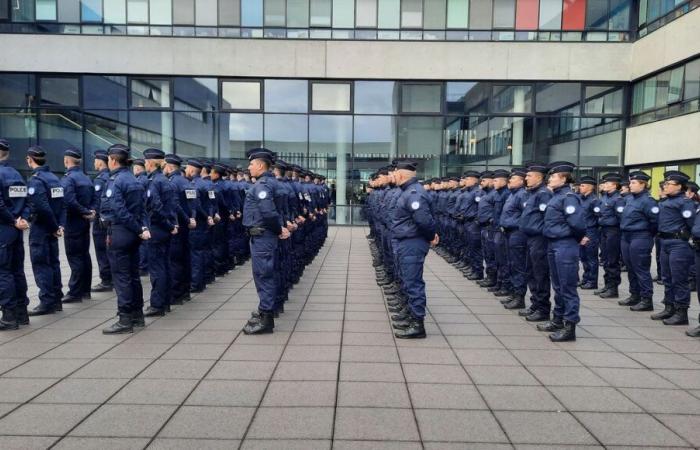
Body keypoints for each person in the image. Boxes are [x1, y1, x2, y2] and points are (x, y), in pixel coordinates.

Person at [101, 144, 150, 334]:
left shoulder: (116, 181)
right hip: (132, 233)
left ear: (113, 160)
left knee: (121, 278)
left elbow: (119, 210)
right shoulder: (134, 180)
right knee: (132, 275)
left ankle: (125, 319)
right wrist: (141, 228)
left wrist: (137, 228)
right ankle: (137, 316)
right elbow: (141, 209)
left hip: (120, 232)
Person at [241, 148, 289, 335]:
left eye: (251, 164)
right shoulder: (271, 183)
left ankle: (267, 319)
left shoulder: (262, 185)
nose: (249, 167)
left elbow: (268, 212)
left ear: (260, 165)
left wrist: (278, 229)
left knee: (264, 275)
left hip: (263, 237)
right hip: (265, 236)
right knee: (266, 274)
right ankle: (264, 310)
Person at [389, 160, 438, 339]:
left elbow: (424, 220)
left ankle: (418, 324)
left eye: (394, 173)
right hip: (406, 242)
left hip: (412, 243)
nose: (392, 176)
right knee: (408, 280)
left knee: (413, 283)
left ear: (401, 175)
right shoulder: (407, 192)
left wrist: (431, 235)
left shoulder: (414, 193)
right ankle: (411, 316)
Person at [538, 161, 585, 342]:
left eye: (553, 176)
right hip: (554, 244)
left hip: (565, 245)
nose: (550, 179)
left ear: (563, 178)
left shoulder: (568, 197)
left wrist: (575, 237)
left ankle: (570, 326)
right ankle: (558, 319)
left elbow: (578, 224)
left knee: (567, 286)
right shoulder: (556, 196)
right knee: (557, 285)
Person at [651, 171, 696, 326]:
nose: (665, 186)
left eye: (669, 184)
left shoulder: (685, 202)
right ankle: (669, 307)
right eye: (665, 183)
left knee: (679, 279)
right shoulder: (664, 201)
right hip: (664, 242)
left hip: (678, 243)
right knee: (667, 278)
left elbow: (692, 224)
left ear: (679, 186)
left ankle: (681, 312)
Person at [26, 146, 65, 316]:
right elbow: (62, 205)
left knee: (42, 265)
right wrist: (59, 225)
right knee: (53, 263)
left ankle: (47, 301)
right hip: (53, 227)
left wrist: (53, 226)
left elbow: (42, 207)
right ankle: (56, 300)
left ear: (30, 159)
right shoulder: (55, 178)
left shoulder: (36, 180)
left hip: (42, 228)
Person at [143, 148, 178, 317]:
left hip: (158, 229)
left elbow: (155, 209)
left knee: (157, 269)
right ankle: (166, 302)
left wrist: (167, 225)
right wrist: (172, 225)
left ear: (150, 163)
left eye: (145, 162)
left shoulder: (155, 182)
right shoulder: (166, 180)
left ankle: (157, 305)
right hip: (166, 229)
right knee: (165, 266)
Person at [0, 139, 30, 329]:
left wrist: (12, 221)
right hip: (16, 230)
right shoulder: (17, 174)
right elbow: (27, 202)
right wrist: (22, 220)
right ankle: (22, 313)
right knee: (17, 271)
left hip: (4, 229)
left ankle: (9, 317)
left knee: (3, 273)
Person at [618, 171, 658, 312]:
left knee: (640, 268)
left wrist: (646, 234)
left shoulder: (648, 201)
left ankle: (646, 299)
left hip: (640, 236)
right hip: (626, 236)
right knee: (630, 267)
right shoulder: (629, 199)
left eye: (634, 183)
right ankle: (635, 295)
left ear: (643, 184)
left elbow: (654, 222)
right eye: (630, 182)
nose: (630, 185)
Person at [518, 163, 552, 321]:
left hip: (539, 240)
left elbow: (547, 218)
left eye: (529, 176)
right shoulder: (533, 193)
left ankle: (543, 308)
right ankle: (535, 305)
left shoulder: (544, 194)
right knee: (531, 273)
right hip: (530, 239)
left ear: (539, 177)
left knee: (540, 275)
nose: (526, 178)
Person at [61, 148, 95, 303]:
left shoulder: (68, 179)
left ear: (67, 160)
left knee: (75, 257)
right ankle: (85, 290)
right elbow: (95, 198)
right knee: (84, 255)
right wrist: (90, 211)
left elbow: (68, 201)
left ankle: (75, 292)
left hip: (73, 222)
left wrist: (83, 211)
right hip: (84, 222)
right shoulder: (86, 178)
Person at [163, 154, 196, 305]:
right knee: (185, 258)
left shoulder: (172, 183)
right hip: (187, 226)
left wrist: (186, 219)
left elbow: (175, 205)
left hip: (178, 225)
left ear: (169, 167)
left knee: (175, 261)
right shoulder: (187, 182)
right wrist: (192, 218)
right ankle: (186, 291)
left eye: (164, 166)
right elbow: (192, 204)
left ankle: (176, 294)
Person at [500, 168, 529, 310]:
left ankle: (520, 297)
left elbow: (525, 216)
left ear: (521, 181)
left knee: (518, 265)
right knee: (511, 263)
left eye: (513, 178)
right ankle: (514, 292)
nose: (509, 181)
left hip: (517, 234)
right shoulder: (513, 194)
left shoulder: (522, 194)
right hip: (509, 233)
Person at [595, 173, 624, 299]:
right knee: (606, 259)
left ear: (615, 185)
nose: (604, 185)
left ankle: (613, 288)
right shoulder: (604, 197)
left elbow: (621, 218)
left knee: (612, 260)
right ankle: (607, 285)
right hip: (604, 230)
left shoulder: (618, 199)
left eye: (607, 183)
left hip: (613, 231)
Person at [90, 150, 113, 293]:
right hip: (110, 220)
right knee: (109, 250)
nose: (94, 163)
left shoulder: (100, 179)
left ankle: (106, 280)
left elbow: (98, 202)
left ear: (100, 161)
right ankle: (111, 278)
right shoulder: (112, 177)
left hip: (100, 222)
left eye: (95, 160)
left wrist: (93, 214)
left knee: (101, 250)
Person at [577, 176, 600, 290]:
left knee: (591, 258)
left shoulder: (594, 201)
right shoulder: (580, 199)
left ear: (590, 187)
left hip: (590, 232)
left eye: (583, 185)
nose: (580, 187)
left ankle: (592, 281)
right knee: (583, 258)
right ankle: (586, 278)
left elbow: (598, 219)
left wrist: (589, 235)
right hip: (582, 231)